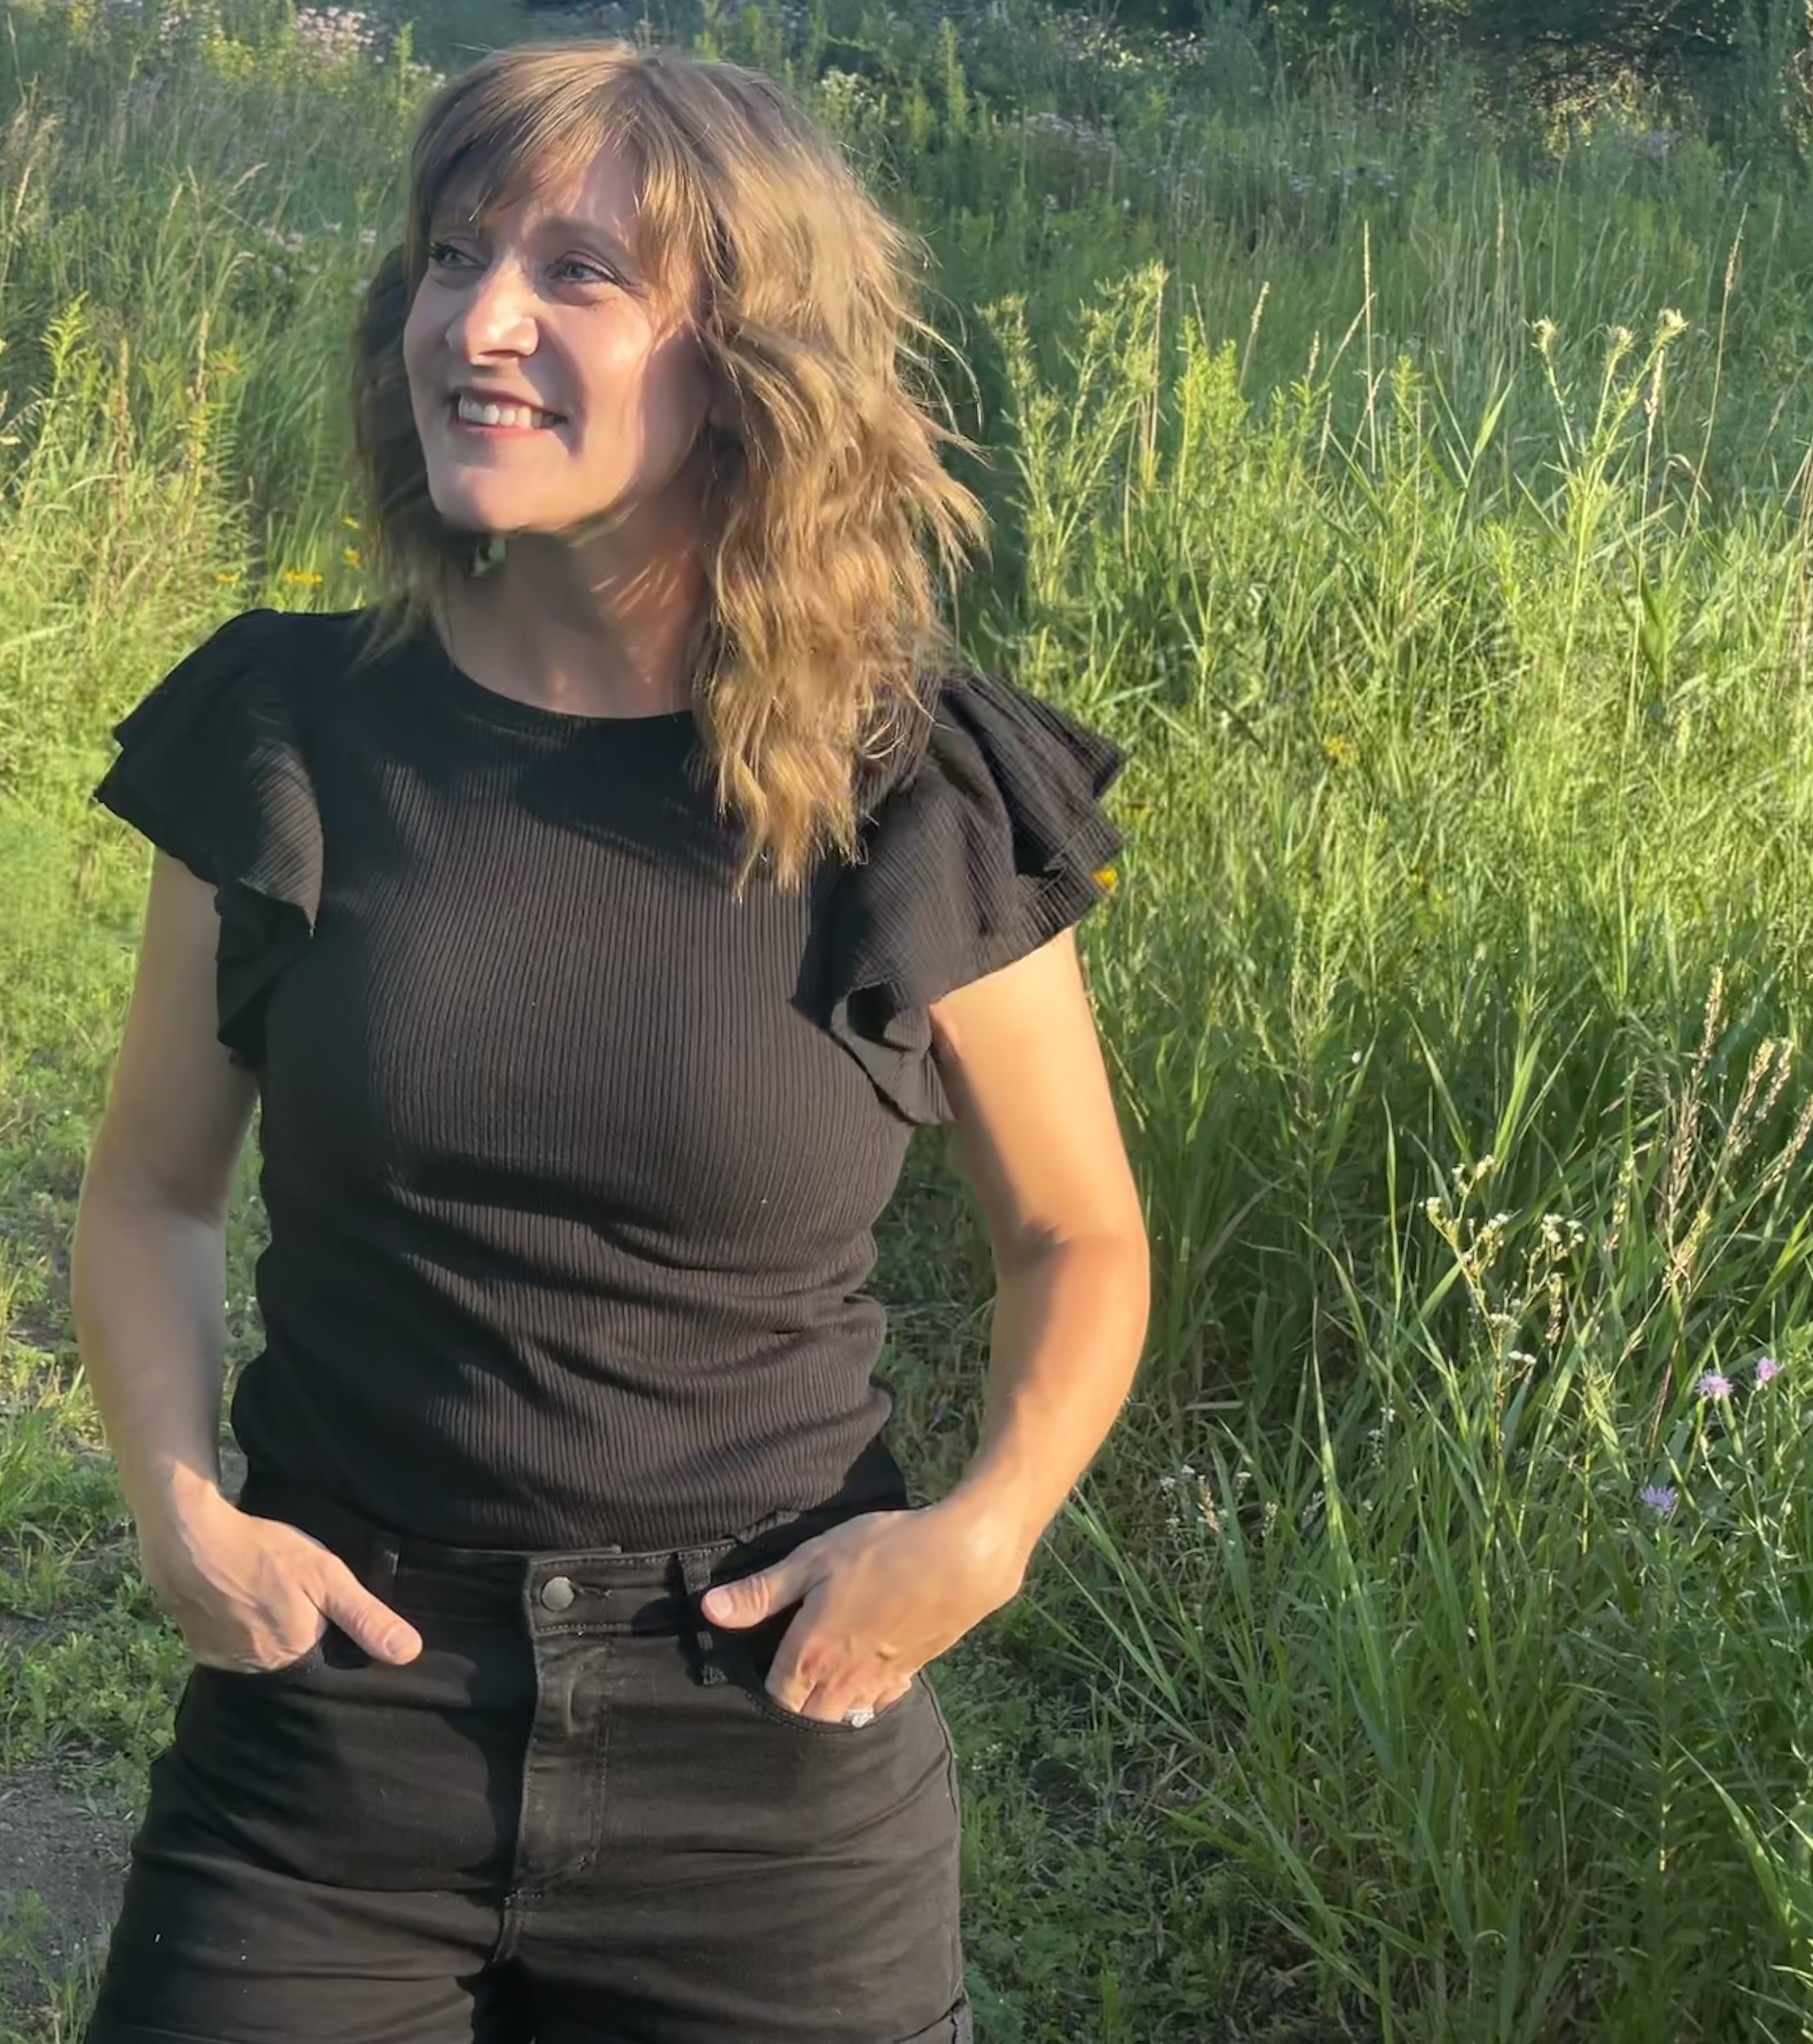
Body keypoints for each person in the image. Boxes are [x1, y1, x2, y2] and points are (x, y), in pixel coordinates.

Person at [71, 38, 1151, 2044]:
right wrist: (175, 1503)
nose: (476, 322)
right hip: (334, 1736)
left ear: (748, 355)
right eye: (452, 256)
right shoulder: (288, 736)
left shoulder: (907, 784)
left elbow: (1075, 1235)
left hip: (768, 1742)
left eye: (578, 275)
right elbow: (148, 1186)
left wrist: (981, 1537)